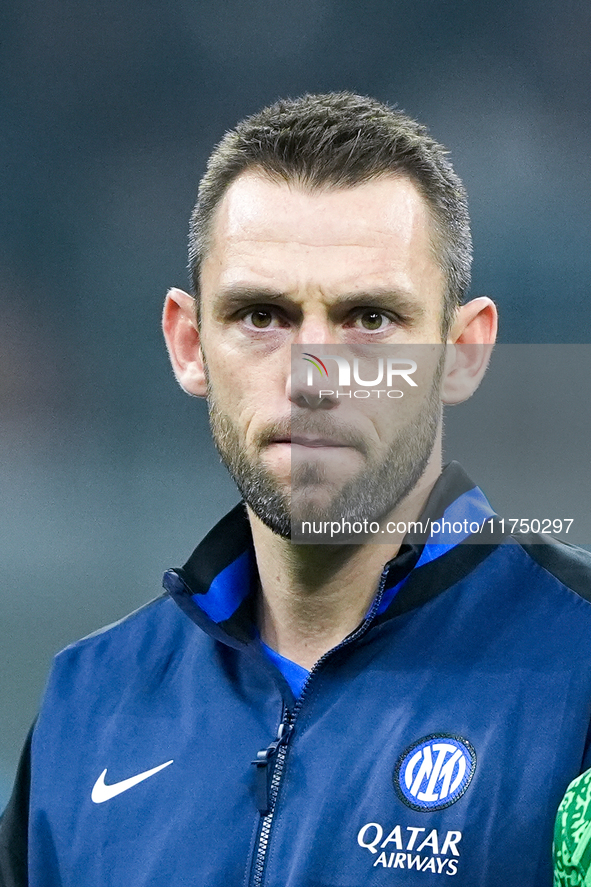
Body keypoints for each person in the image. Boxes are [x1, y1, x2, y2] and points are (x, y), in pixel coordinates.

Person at [1, 91, 591, 887]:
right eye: (261, 313)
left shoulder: (577, 666)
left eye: (370, 318)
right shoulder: (91, 700)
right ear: (188, 343)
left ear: (461, 352)